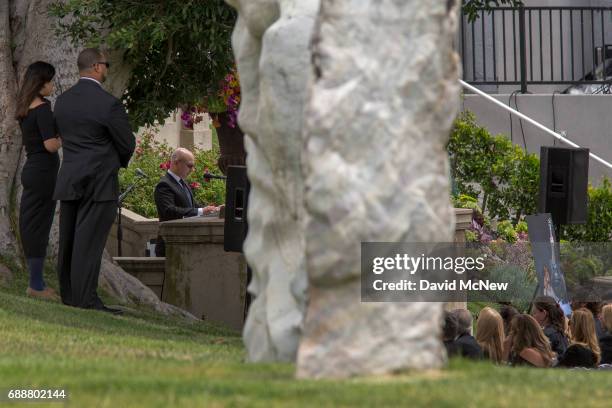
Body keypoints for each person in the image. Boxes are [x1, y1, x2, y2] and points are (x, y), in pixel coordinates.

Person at [53, 48, 135, 314]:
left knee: (69, 241)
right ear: (97, 67)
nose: (107, 69)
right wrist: (114, 161)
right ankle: (86, 299)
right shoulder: (108, 103)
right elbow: (127, 143)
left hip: (70, 177)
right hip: (99, 182)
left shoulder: (62, 101)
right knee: (89, 244)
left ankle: (69, 295)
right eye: (106, 65)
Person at [15, 61, 62, 301]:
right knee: (39, 228)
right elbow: (50, 145)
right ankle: (36, 285)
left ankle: (37, 282)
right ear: (41, 83)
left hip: (32, 170)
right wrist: (63, 135)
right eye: (51, 80)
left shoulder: (25, 107)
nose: (53, 85)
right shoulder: (43, 109)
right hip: (44, 173)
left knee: (31, 225)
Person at [153, 147, 218, 256]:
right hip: (171, 245)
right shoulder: (164, 185)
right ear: (176, 163)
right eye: (190, 166)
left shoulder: (182, 182)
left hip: (186, 243)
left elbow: (192, 206)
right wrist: (201, 210)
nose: (192, 170)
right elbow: (169, 211)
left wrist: (213, 210)